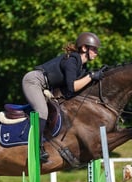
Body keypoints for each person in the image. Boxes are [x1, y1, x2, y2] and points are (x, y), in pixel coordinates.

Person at [22, 32, 104, 162]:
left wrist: (95, 76)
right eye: (94, 49)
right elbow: (72, 87)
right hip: (34, 81)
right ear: (84, 48)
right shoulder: (72, 60)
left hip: (45, 86)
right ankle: (36, 149)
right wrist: (91, 76)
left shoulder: (81, 66)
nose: (96, 52)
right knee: (42, 111)